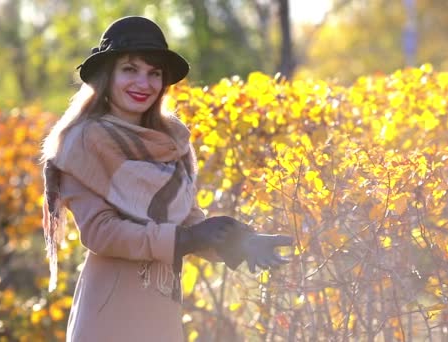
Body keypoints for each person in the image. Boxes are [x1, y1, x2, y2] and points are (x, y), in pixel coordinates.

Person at [40, 16, 293, 342]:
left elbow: (188, 221)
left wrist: (237, 241)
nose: (143, 83)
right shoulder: (81, 143)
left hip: (162, 313)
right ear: (108, 75)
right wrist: (184, 240)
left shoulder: (171, 142)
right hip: (109, 318)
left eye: (154, 73)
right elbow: (102, 233)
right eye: (130, 69)